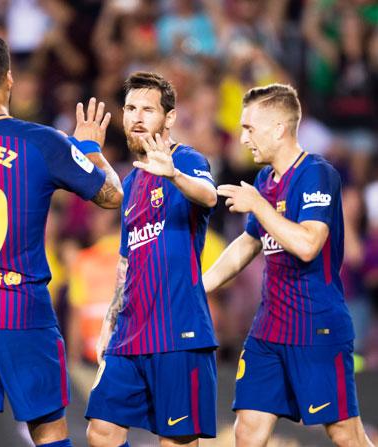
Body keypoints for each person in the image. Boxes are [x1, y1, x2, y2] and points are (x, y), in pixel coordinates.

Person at [0, 35, 123, 447]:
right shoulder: (43, 142)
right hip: (21, 311)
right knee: (48, 432)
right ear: (9, 80)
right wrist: (90, 149)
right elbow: (111, 197)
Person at [203, 84, 374, 447]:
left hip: (316, 327)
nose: (243, 137)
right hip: (269, 331)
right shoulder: (265, 181)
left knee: (345, 433)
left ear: (279, 129)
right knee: (248, 430)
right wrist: (197, 287)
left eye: (249, 127)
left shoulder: (317, 173)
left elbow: (308, 244)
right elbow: (248, 243)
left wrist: (259, 206)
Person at [85, 71, 219, 447]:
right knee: (101, 433)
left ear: (170, 118)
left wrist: (174, 175)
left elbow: (208, 196)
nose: (137, 117)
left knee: (176, 442)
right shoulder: (131, 183)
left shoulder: (187, 160)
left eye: (148, 109)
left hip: (178, 332)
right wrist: (108, 325)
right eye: (130, 108)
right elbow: (126, 261)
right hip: (130, 334)